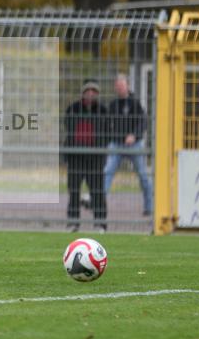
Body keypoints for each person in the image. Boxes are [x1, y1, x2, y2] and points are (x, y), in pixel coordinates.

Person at [104, 73, 153, 216]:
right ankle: (99, 205)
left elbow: (143, 122)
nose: (120, 88)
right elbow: (106, 124)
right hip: (116, 145)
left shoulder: (135, 103)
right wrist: (111, 137)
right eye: (118, 86)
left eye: (122, 85)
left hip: (135, 145)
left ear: (127, 86)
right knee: (107, 172)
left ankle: (149, 208)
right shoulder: (113, 105)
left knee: (143, 175)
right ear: (115, 87)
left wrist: (134, 135)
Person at [63, 80, 107, 232]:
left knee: (97, 191)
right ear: (83, 93)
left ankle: (100, 223)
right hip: (76, 157)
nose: (90, 94)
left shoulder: (103, 110)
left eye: (94, 91)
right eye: (88, 91)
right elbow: (68, 128)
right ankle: (73, 222)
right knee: (74, 191)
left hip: (95, 158)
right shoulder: (73, 109)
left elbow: (108, 132)